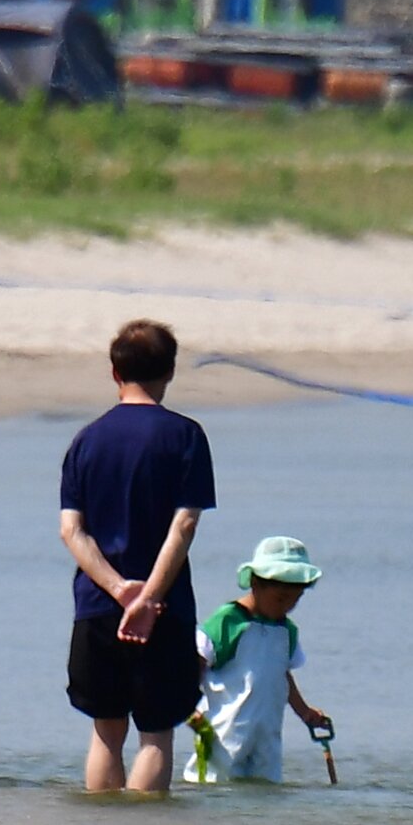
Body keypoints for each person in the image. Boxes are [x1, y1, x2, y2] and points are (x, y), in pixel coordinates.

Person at [59, 319, 217, 793]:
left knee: (106, 731)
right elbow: (184, 524)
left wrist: (118, 589)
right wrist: (148, 598)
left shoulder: (86, 440)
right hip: (164, 610)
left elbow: (72, 531)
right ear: (169, 372)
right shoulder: (185, 436)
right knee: (155, 734)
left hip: (98, 606)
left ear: (114, 373)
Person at [183, 536, 329, 784]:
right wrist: (188, 707)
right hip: (224, 730)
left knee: (265, 790)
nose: (287, 607)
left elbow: (282, 674)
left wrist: (304, 711)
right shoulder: (228, 621)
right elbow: (194, 665)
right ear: (255, 583)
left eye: (296, 599)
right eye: (281, 599)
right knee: (215, 787)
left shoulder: (286, 631)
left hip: (267, 732)